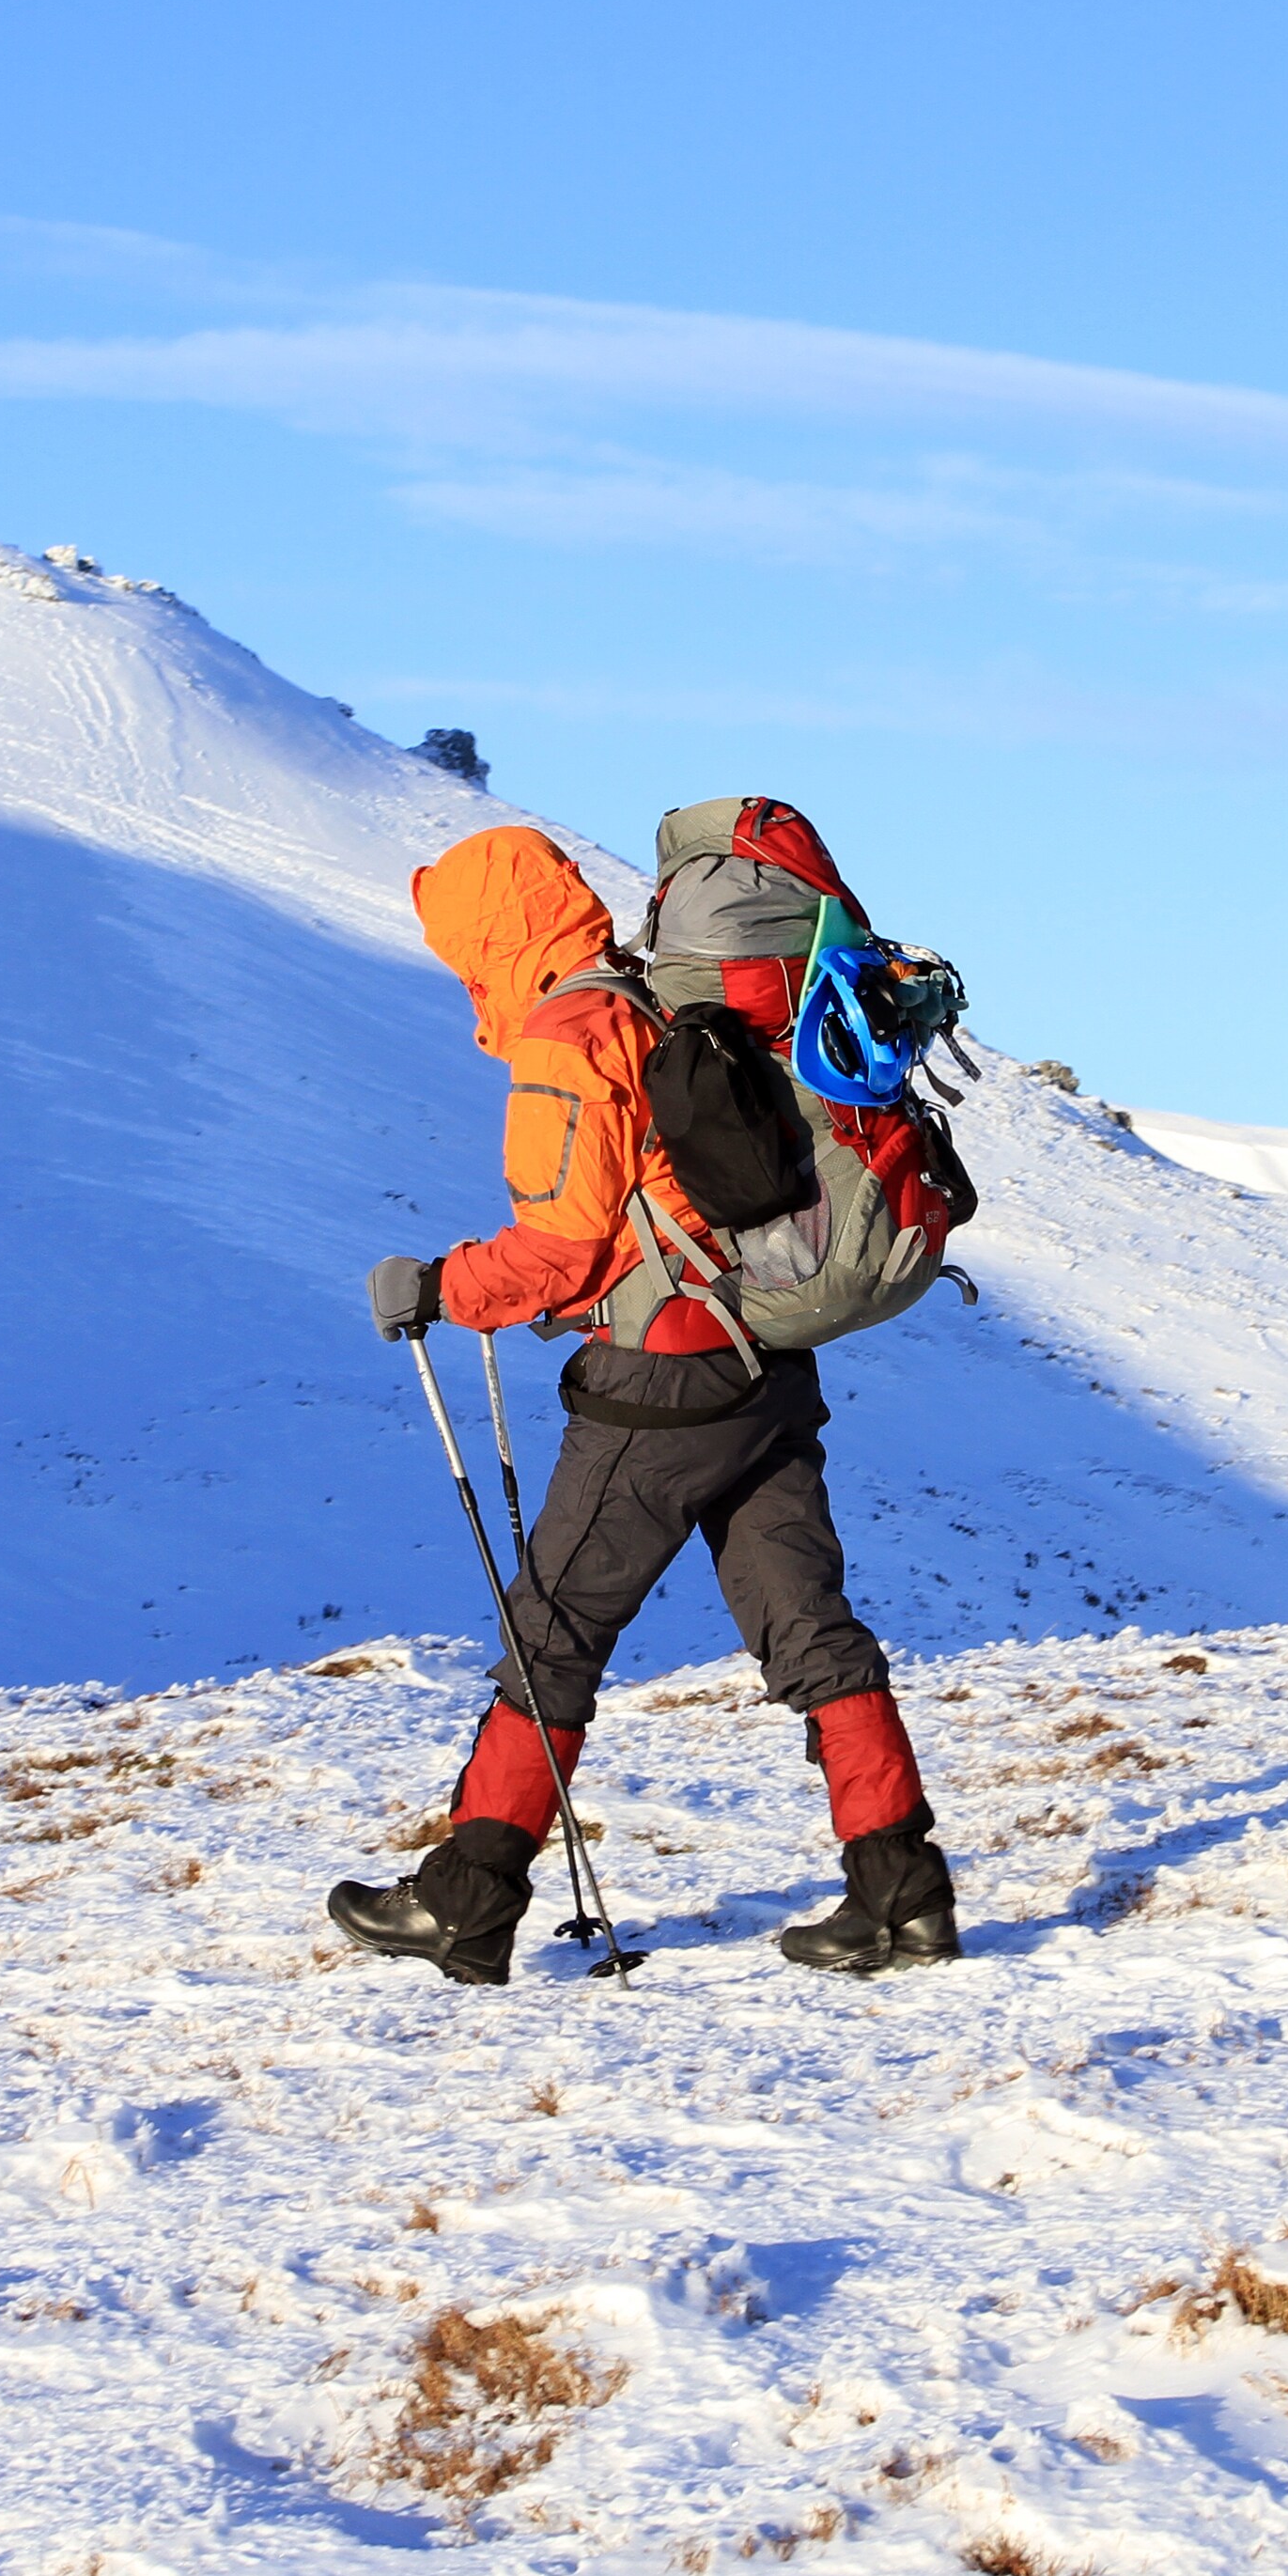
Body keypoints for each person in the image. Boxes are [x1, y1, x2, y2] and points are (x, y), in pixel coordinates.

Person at [326, 820, 961, 1982]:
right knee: (809, 1632)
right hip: (762, 1362)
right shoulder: (649, 997)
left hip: (661, 1382)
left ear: (488, 940)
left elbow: (561, 1251)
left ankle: (467, 1902)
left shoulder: (572, 1033)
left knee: (551, 1635)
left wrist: (437, 1286)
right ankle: (901, 1896)